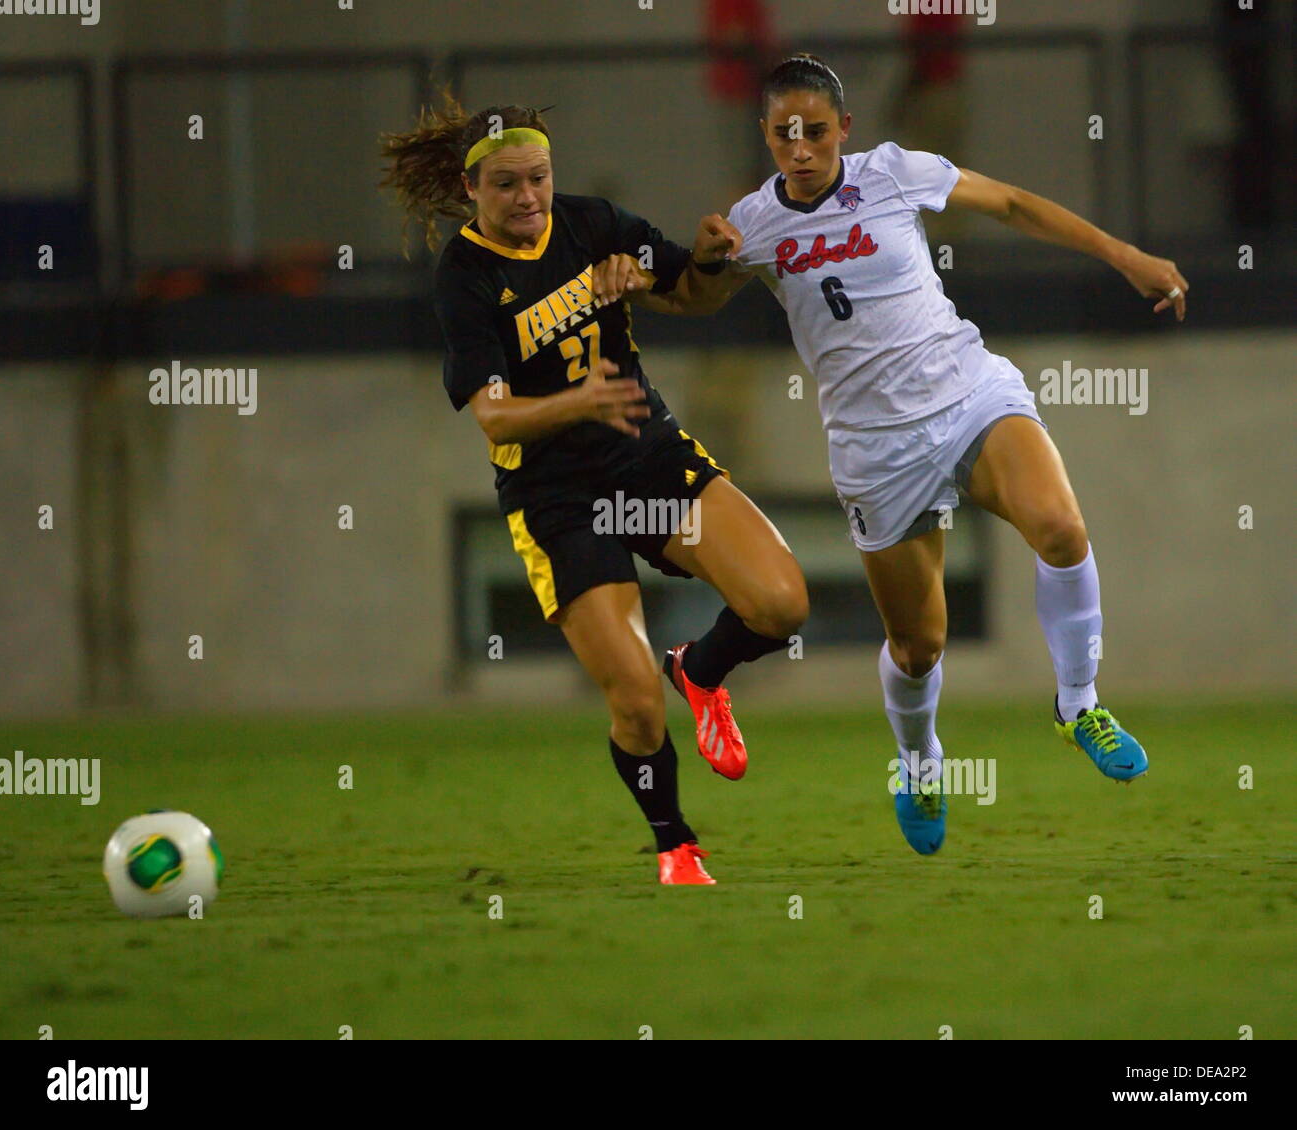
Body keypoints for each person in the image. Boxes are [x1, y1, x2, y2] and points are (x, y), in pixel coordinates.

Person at [606, 53, 1188, 855]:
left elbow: (1012, 203)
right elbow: (694, 300)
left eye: (816, 130)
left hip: (967, 393)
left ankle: (1078, 702)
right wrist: (702, 259)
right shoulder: (754, 223)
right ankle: (920, 763)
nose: (801, 147)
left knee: (1059, 526)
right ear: (767, 136)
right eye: (784, 134)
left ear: (845, 129)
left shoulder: (893, 173)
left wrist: (1127, 257)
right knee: (919, 647)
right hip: (875, 450)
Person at [379, 94, 808, 883]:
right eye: (506, 184)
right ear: (471, 190)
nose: (528, 198)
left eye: (538, 177)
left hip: (642, 457)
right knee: (637, 701)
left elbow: (695, 293)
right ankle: (676, 843)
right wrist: (582, 401)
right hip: (557, 498)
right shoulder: (465, 277)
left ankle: (704, 669)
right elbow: (496, 419)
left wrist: (708, 259)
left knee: (782, 604)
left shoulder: (593, 223)